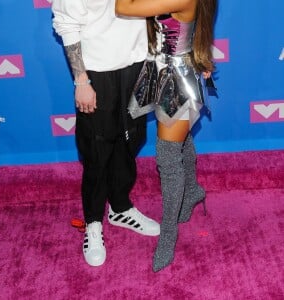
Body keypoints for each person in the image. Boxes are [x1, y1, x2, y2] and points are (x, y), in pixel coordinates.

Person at [50, 0, 160, 267]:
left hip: (138, 65)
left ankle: (120, 208)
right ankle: (93, 223)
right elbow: (67, 25)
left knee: (131, 139)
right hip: (97, 73)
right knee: (97, 151)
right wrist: (82, 81)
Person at [115, 0, 217, 271]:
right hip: (161, 70)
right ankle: (193, 190)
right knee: (180, 141)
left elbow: (123, 7)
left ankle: (169, 234)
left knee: (168, 158)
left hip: (177, 80)